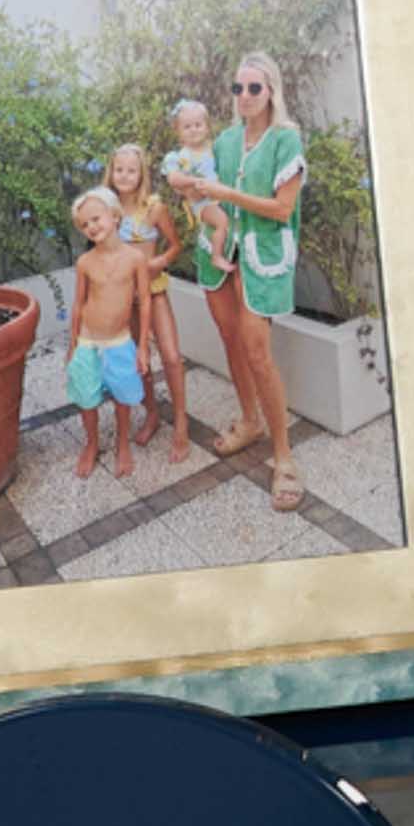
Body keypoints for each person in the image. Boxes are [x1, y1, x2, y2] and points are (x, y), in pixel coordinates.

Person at [180, 58, 308, 514]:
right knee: (231, 341)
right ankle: (250, 420)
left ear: (271, 90)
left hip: (263, 254)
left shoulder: (285, 139)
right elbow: (199, 183)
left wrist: (228, 195)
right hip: (220, 251)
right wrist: (186, 185)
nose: (245, 95)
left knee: (257, 350)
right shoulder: (227, 141)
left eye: (255, 87)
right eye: (238, 87)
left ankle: (285, 455)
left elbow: (280, 208)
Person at [101, 141, 189, 459]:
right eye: (119, 169)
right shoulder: (105, 211)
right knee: (140, 361)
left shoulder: (154, 208)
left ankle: (180, 423)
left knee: (172, 355)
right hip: (125, 298)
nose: (125, 176)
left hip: (155, 292)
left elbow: (175, 245)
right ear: (111, 172)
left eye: (131, 170)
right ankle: (152, 412)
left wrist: (157, 263)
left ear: (142, 174)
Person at [61, 189, 153, 483]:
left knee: (123, 395)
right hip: (88, 340)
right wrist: (73, 344)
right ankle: (92, 442)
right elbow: (78, 304)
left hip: (120, 341)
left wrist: (143, 348)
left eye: (96, 218)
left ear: (115, 216)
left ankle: (122, 443)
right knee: (87, 397)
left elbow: (146, 301)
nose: (92, 227)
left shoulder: (135, 258)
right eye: (85, 224)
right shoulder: (85, 262)